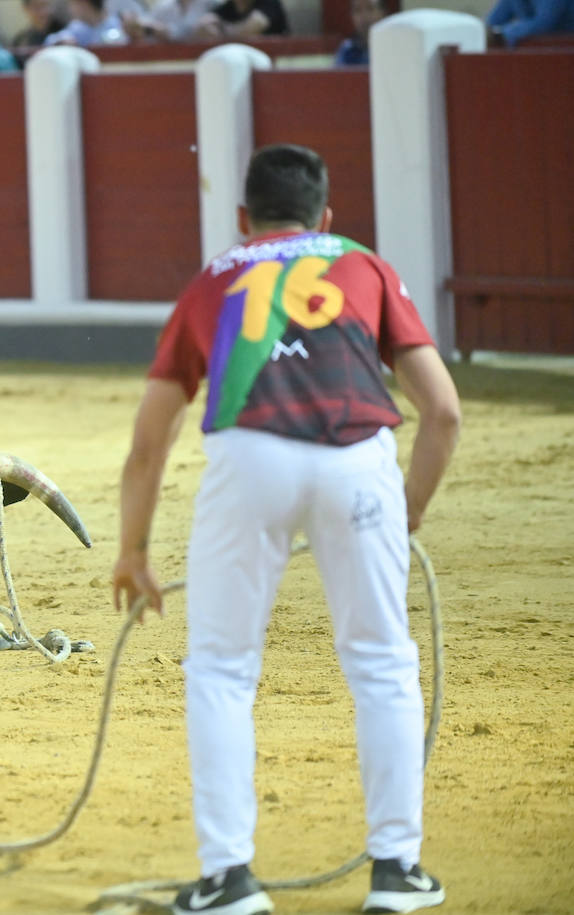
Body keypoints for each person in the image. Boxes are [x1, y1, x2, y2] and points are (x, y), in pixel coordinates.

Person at [111, 144, 460, 915]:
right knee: (380, 663)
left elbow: (148, 443)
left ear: (244, 219)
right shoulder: (362, 264)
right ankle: (398, 870)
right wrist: (405, 512)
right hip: (357, 457)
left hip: (249, 458)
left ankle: (229, 879)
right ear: (325, 216)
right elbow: (443, 410)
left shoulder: (214, 277)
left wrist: (134, 550)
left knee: (223, 670)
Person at [44, 0, 143, 46]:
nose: (70, 10)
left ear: (84, 3)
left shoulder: (120, 24)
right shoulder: (77, 28)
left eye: (73, 4)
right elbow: (51, 41)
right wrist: (60, 42)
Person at [485, 0, 574, 45]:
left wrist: (502, 35)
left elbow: (542, 24)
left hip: (565, 56)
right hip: (539, 55)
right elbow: (493, 22)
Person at [123, 0, 215, 42]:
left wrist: (164, 31)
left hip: (203, 61)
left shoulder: (210, 4)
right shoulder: (164, 5)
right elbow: (144, 25)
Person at [196, 0, 289, 38]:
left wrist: (223, 31)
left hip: (272, 62)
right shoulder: (226, 8)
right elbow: (202, 28)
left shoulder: (269, 3)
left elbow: (252, 27)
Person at [335, 0, 387, 64]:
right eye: (357, 10)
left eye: (370, 8)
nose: (364, 16)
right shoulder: (346, 50)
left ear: (383, 12)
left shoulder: (392, 47)